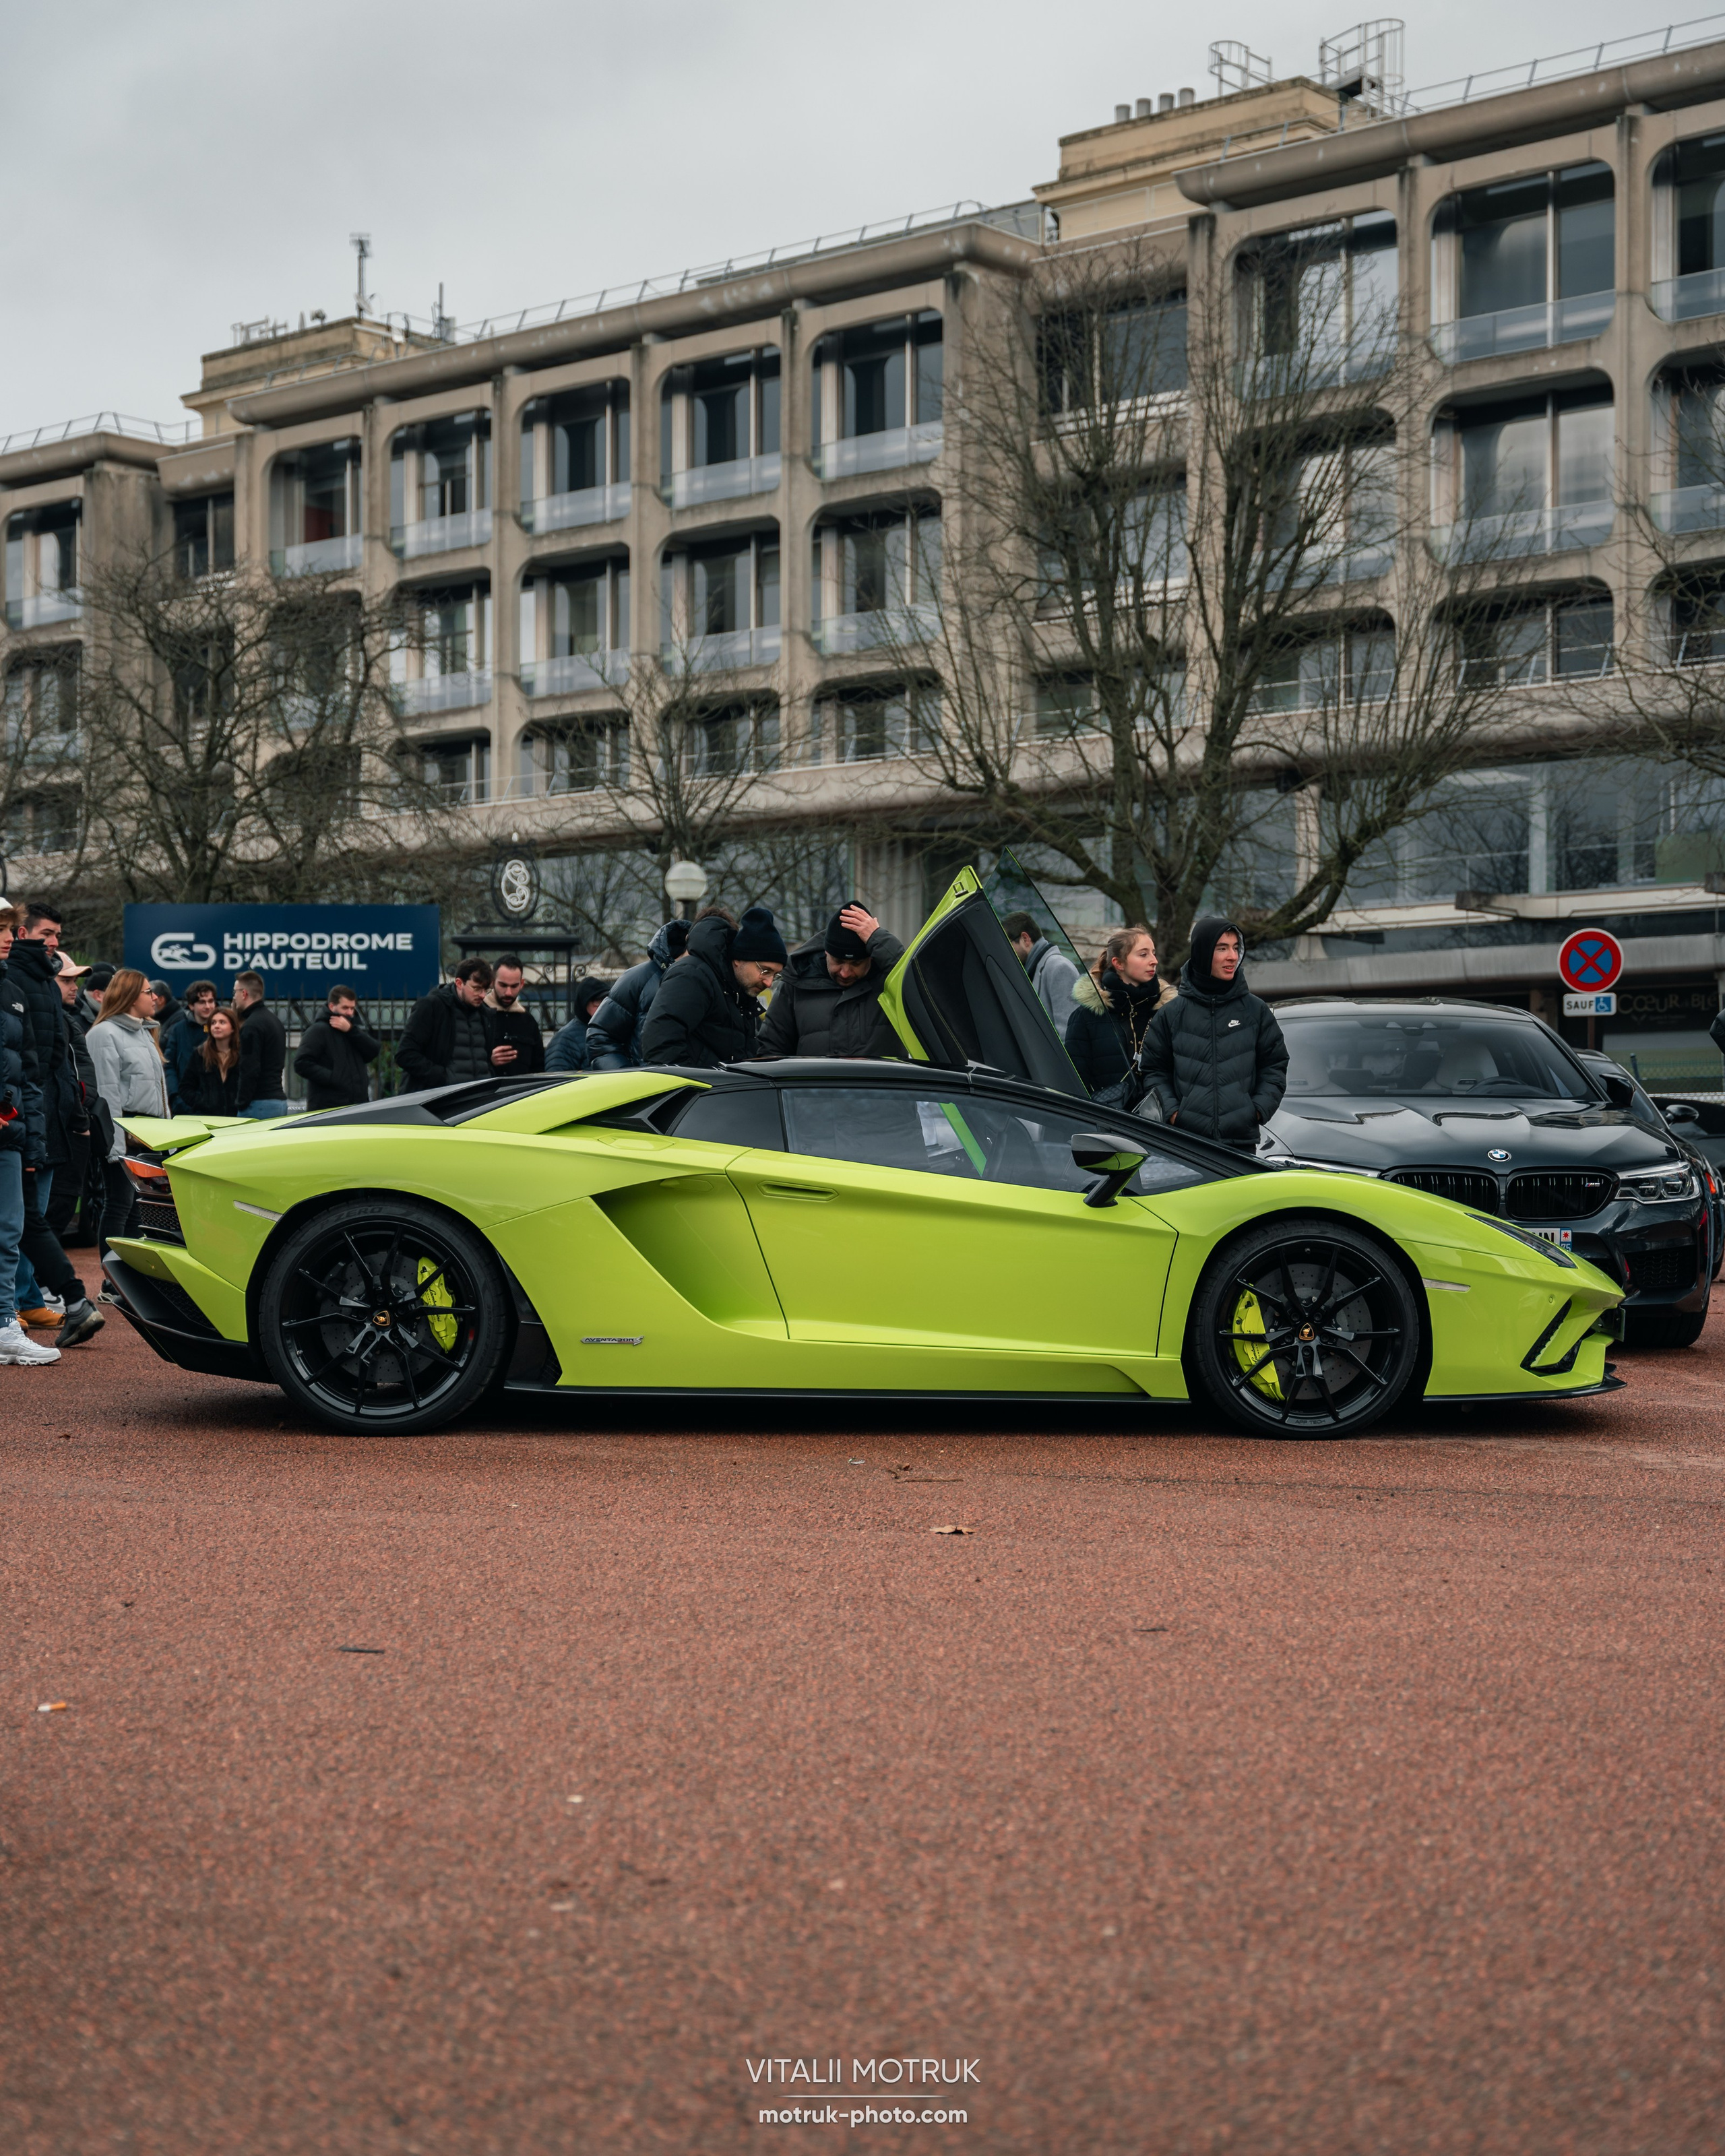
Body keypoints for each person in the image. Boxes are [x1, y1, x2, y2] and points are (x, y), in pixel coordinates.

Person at [8, 906, 103, 1345]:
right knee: (24, 1220)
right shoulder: (22, 982)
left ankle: (26, 1304)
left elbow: (42, 1067)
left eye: (57, 935)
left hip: (31, 1121)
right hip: (28, 1119)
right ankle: (39, 1302)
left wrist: (72, 1116)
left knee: (27, 1219)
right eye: (47, 933)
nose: (53, 942)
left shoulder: (34, 985)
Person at [1133, 916, 1288, 1150]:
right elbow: (1154, 1071)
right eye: (1222, 948)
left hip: (1241, 1144)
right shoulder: (1171, 1014)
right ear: (1203, 953)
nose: (1232, 956)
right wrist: (1174, 1114)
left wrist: (1256, 1110)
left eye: (1235, 948)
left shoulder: (1255, 1011)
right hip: (1186, 1144)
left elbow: (1275, 1066)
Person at [0, 907, 59, 1364]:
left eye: (7, 928)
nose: (7, 937)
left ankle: (4, 1324)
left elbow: (30, 1074)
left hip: (10, 1133)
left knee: (9, 1230)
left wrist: (31, 1137)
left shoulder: (13, 991)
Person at [86, 970, 170, 1277]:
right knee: (119, 1205)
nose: (154, 997)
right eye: (148, 992)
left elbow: (159, 1091)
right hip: (126, 1133)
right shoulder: (104, 1034)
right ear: (130, 996)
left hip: (148, 1135)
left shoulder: (144, 1032)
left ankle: (130, 1282)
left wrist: (166, 1134)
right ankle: (113, 1281)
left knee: (137, 1208)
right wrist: (116, 1146)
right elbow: (106, 1093)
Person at [640, 906, 786, 1069]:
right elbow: (660, 1044)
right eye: (765, 971)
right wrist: (699, 1081)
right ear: (739, 959)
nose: (769, 983)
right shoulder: (692, 976)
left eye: (776, 975)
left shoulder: (738, 993)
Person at [758, 903, 905, 1060]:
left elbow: (916, 983)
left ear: (871, 958)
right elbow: (770, 1051)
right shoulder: (795, 982)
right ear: (826, 952)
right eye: (838, 961)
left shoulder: (889, 981)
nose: (845, 973)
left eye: (856, 964)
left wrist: (879, 939)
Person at [1065, 926, 1176, 1107]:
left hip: (1161, 1121)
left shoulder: (1168, 1012)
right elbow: (1075, 1085)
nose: (1154, 961)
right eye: (1143, 954)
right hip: (1106, 1120)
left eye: (1154, 953)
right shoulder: (1086, 1017)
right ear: (1119, 964)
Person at [48, 957, 102, 1251]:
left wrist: (81, 1107)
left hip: (74, 1124)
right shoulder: (54, 1020)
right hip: (61, 1128)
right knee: (50, 1213)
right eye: (66, 980)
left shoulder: (68, 1019)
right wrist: (78, 1109)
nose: (75, 987)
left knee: (61, 1209)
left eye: (75, 981)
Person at [585, 920, 690, 1069]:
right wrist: (626, 1076)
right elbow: (601, 1037)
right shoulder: (638, 979)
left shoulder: (713, 984)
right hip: (640, 1081)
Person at [397, 959, 495, 1092]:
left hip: (477, 1097)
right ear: (459, 983)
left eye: (486, 990)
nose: (483, 995)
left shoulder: (485, 1015)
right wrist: (443, 1078)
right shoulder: (432, 1006)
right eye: (477, 989)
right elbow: (405, 1054)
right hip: (440, 1096)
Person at [293, 986, 381, 1112]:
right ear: (332, 1007)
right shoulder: (318, 1030)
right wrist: (333, 1078)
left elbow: (374, 1050)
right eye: (345, 1008)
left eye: (352, 1008)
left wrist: (351, 1031)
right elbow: (301, 1063)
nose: (350, 1013)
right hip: (329, 1108)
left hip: (357, 1106)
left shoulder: (353, 1031)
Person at [1002, 911, 1081, 1030]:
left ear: (1025, 939)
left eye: (1008, 944)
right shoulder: (1038, 968)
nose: (1006, 951)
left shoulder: (1058, 968)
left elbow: (1068, 1032)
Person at [230, 973, 290, 1118]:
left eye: (235, 992)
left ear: (244, 993)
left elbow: (249, 1068)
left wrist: (241, 1103)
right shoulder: (274, 1021)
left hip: (258, 1104)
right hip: (278, 1101)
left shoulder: (251, 1026)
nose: (234, 997)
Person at [162, 980, 218, 1114]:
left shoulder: (225, 1029)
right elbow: (169, 1065)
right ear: (191, 1005)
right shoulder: (178, 1030)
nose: (208, 1006)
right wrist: (175, 1096)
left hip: (217, 1106)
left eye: (211, 1001)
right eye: (202, 1002)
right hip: (184, 1105)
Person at [487, 955, 547, 1075]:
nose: (508, 993)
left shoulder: (528, 1021)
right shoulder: (478, 1015)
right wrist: (489, 1062)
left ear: (522, 984)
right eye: (503, 985)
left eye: (514, 986)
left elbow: (539, 1067)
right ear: (492, 982)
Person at [185, 1006, 249, 1116]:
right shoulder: (200, 1054)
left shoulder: (243, 1054)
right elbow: (185, 1087)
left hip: (237, 1116)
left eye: (222, 1022)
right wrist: (203, 1103)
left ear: (233, 1028)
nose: (216, 1026)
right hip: (208, 1117)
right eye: (213, 1023)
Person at [546, 979, 614, 1074]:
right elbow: (557, 1076)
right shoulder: (566, 1038)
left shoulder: (614, 1031)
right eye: (597, 1001)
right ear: (584, 1003)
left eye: (606, 1000)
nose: (603, 1006)